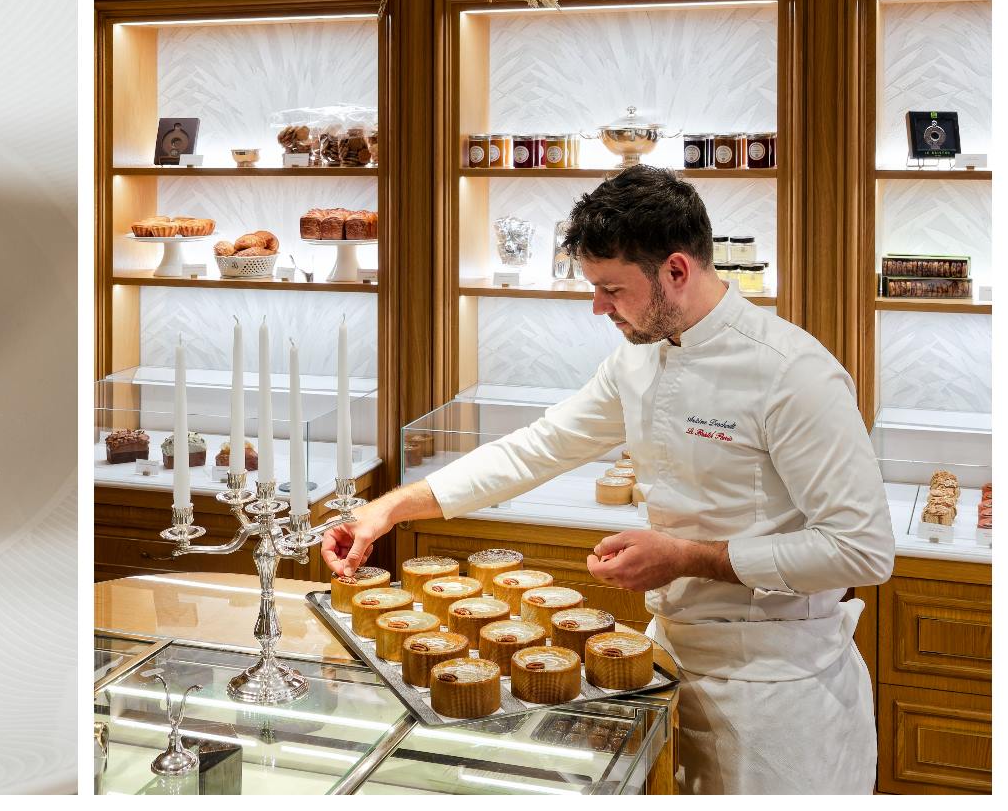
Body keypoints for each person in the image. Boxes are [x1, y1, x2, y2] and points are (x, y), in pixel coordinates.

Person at [322, 165, 892, 794]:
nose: (597, 307)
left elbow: (859, 549)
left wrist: (684, 557)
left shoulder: (794, 373)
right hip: (664, 661)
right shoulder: (640, 355)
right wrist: (391, 509)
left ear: (676, 270)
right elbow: (540, 447)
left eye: (611, 289)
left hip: (779, 694)